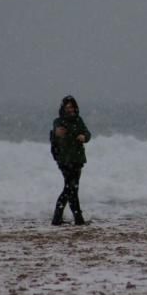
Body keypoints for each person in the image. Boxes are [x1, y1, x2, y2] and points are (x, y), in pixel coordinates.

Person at [50, 95, 91, 226]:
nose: (70, 110)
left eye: (72, 107)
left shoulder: (79, 120)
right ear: (63, 108)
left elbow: (88, 134)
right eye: (67, 107)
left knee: (73, 189)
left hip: (77, 159)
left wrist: (83, 136)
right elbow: (55, 132)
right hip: (64, 160)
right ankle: (60, 218)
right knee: (70, 188)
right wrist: (57, 133)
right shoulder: (59, 121)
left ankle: (76, 219)